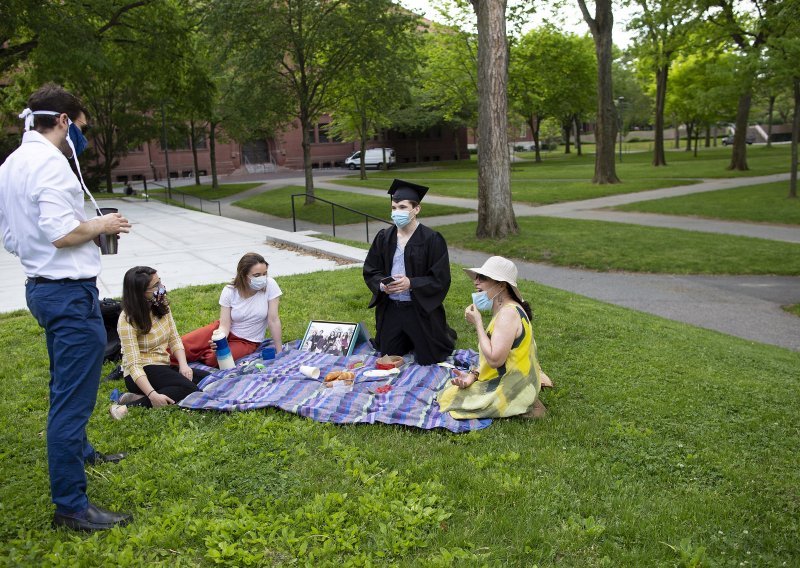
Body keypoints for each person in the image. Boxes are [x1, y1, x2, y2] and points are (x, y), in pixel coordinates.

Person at [0, 83, 132, 531]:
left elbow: (12, 237)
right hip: (67, 294)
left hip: (41, 289)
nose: (83, 137)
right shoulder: (51, 166)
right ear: (61, 121)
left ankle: (83, 453)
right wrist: (103, 224)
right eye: (81, 127)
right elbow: (61, 233)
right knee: (71, 402)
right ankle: (72, 508)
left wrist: (47, 249)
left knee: (65, 381)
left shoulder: (12, 164)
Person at [437, 256, 547, 419]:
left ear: (501, 285)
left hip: (511, 389)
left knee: (447, 399)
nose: (476, 282)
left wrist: (478, 323)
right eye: (476, 277)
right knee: (450, 392)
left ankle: (520, 405)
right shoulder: (509, 310)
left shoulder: (508, 314)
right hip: (516, 382)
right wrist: (472, 376)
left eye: (483, 278)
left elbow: (495, 360)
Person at [363, 179, 456, 365]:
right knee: (387, 355)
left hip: (419, 310)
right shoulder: (384, 237)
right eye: (394, 207)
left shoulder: (432, 239)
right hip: (392, 309)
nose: (397, 212)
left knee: (430, 358)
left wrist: (411, 283)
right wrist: (382, 285)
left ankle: (441, 332)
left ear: (416, 209)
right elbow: (371, 269)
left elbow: (441, 279)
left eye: (403, 207)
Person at [114, 267, 209, 410]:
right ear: (140, 293)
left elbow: (174, 338)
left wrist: (184, 366)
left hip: (163, 364)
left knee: (205, 378)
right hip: (141, 371)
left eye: (160, 282)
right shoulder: (127, 320)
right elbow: (134, 365)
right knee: (189, 389)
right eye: (155, 286)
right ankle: (127, 407)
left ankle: (138, 397)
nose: (161, 288)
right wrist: (152, 395)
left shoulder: (160, 304)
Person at [180, 252, 283, 367]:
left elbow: (273, 320)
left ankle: (198, 354)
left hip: (247, 341)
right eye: (257, 275)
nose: (262, 278)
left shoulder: (270, 285)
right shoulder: (229, 291)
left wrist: (279, 351)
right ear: (244, 276)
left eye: (265, 274)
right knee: (182, 345)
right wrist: (220, 339)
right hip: (223, 330)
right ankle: (162, 363)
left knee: (213, 360)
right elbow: (224, 325)